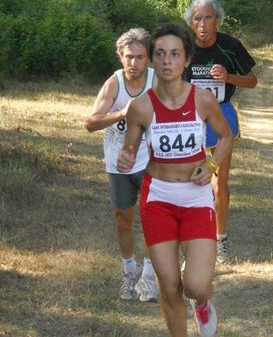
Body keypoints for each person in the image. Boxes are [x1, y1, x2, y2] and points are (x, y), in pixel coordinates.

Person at [117, 22, 233, 337]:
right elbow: (129, 148)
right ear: (153, 60)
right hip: (159, 200)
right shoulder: (140, 107)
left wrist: (210, 165)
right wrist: (126, 157)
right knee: (168, 286)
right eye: (161, 54)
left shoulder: (203, 100)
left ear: (187, 59)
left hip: (196, 198)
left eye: (175, 54)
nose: (167, 61)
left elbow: (225, 137)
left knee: (195, 285)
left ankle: (203, 303)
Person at [85, 28, 158, 302]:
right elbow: (90, 123)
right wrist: (122, 113)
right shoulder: (114, 84)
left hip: (152, 160)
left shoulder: (158, 80)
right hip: (119, 162)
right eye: (129, 57)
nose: (134, 63)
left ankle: (149, 278)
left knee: (153, 219)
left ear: (148, 58)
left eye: (140, 57)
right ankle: (129, 272)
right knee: (123, 220)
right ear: (120, 57)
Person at [183, 0, 257, 263]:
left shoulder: (230, 46)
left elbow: (252, 81)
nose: (203, 24)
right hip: (189, 118)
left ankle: (220, 238)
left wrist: (228, 77)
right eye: (198, 19)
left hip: (221, 114)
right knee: (189, 181)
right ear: (191, 22)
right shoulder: (183, 46)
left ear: (217, 21)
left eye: (208, 18)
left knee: (219, 181)